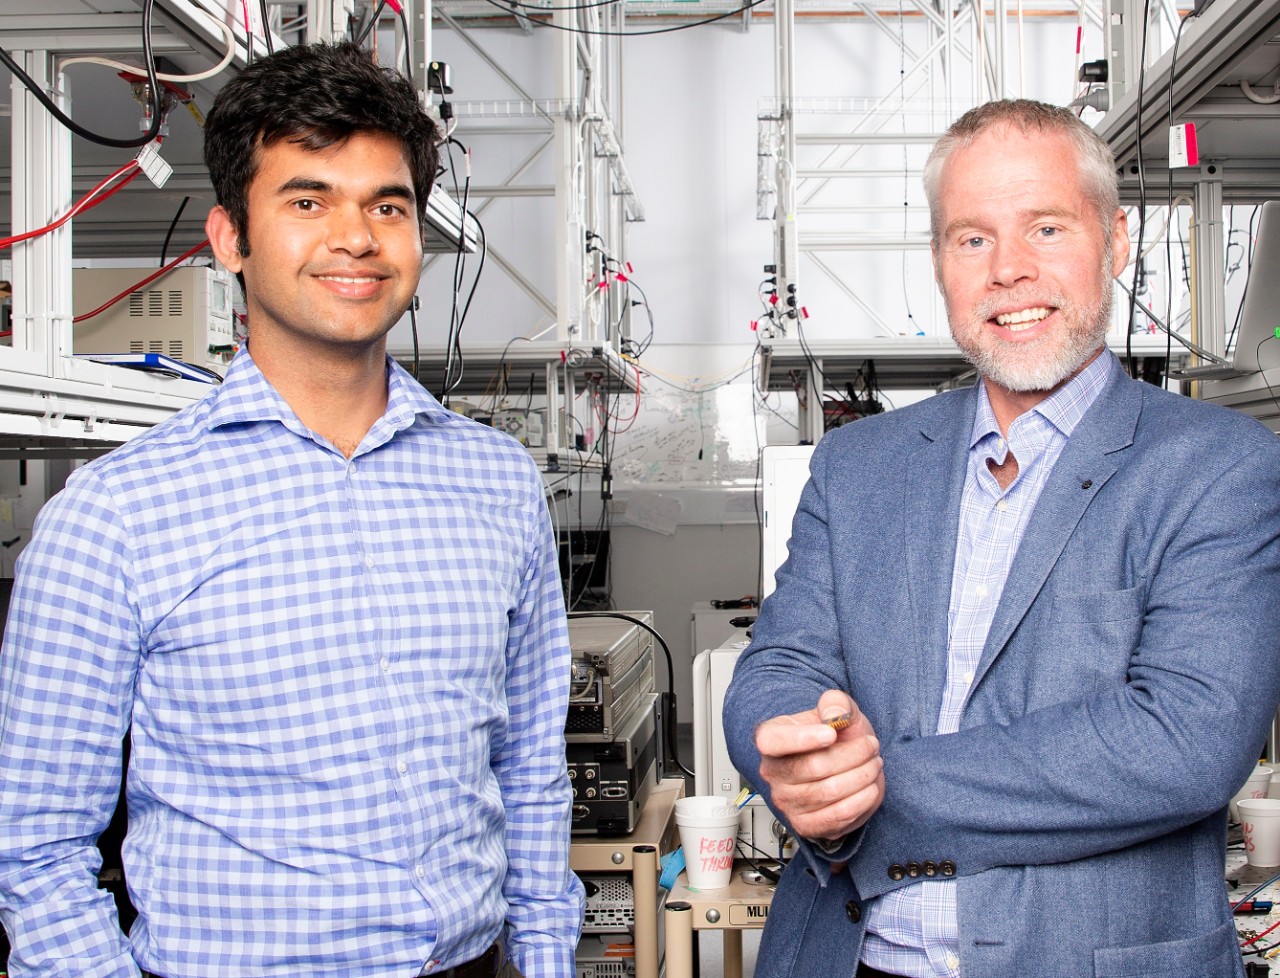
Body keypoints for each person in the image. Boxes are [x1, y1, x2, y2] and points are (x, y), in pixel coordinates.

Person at [0, 42, 583, 978]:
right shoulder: (115, 515)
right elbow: (37, 850)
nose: (354, 238)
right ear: (230, 237)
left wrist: (547, 961)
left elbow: (529, 773)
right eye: (307, 201)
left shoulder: (497, 482)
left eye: (386, 206)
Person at [724, 98, 1280, 978]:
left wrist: (868, 792)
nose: (1008, 271)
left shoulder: (1223, 469)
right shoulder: (858, 465)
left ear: (1117, 239)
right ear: (941, 263)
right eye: (971, 238)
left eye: (1047, 228)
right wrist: (786, 751)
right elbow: (778, 666)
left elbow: (1184, 740)